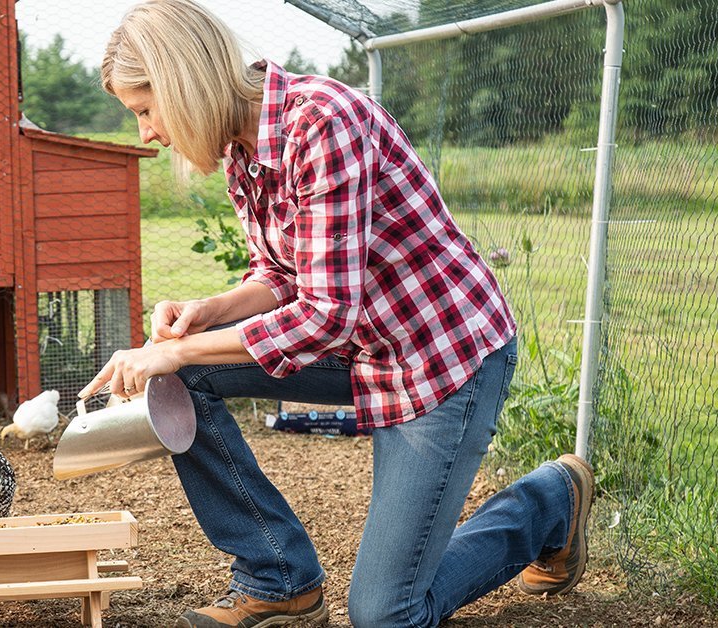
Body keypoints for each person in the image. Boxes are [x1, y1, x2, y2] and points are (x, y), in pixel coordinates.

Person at [78, 1, 595, 627]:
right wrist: (207, 312)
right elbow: (283, 275)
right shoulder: (244, 147)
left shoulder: (324, 123)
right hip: (364, 349)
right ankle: (278, 578)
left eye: (143, 110)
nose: (147, 134)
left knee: (385, 616)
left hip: (440, 360)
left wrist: (180, 347)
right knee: (183, 375)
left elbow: (325, 314)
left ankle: (548, 503)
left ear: (182, 83)